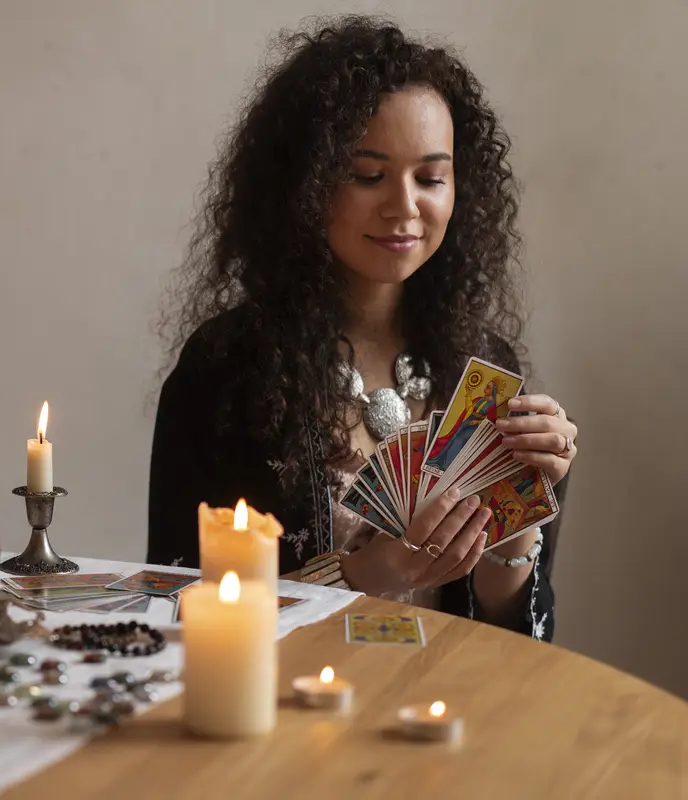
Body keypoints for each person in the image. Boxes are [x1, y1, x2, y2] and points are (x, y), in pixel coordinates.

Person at [146, 15, 579, 640]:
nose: (404, 206)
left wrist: (518, 528)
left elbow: (518, 637)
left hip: (447, 714)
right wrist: (359, 574)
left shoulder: (481, 363)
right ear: (306, 183)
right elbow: (178, 609)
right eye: (367, 175)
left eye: (431, 177)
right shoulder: (227, 368)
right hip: (283, 719)